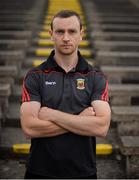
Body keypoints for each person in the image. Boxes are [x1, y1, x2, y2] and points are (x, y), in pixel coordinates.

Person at [20, 10, 111, 179]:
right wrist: (81, 119)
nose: (66, 38)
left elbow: (101, 127)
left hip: (83, 172)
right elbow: (29, 128)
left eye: (72, 31)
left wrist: (53, 115)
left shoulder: (96, 77)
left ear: (81, 34)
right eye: (60, 31)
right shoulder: (35, 76)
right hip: (40, 171)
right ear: (51, 34)